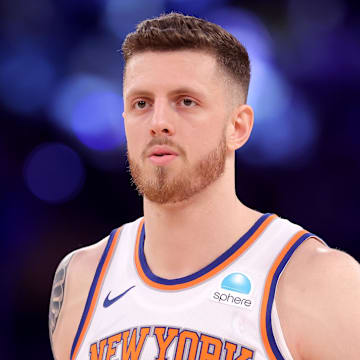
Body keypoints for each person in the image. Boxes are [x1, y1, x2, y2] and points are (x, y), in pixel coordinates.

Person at [49, 12, 360, 360]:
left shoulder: (319, 282)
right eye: (141, 103)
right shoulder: (80, 278)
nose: (159, 123)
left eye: (186, 101)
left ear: (238, 126)